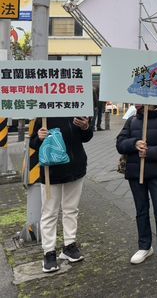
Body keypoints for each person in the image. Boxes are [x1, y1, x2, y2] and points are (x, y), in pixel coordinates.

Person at [116, 105, 157, 272]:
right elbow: (120, 144)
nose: (137, 104)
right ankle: (144, 246)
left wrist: (150, 152)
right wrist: (134, 143)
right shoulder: (132, 121)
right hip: (136, 173)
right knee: (141, 211)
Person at [30, 116, 93, 273]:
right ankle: (49, 252)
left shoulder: (77, 111)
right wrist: (39, 137)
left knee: (71, 209)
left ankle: (69, 246)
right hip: (51, 171)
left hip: (76, 168)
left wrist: (85, 127)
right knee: (50, 212)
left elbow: (87, 137)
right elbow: (33, 143)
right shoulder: (42, 115)